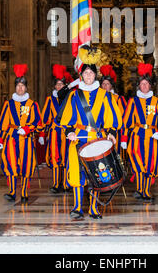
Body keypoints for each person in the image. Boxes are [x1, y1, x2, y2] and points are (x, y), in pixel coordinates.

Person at [59, 45, 122, 220]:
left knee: (96, 174)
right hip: (78, 138)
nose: (88, 76)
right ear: (81, 76)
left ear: (96, 75)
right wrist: (70, 131)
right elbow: (66, 118)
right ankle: (78, 207)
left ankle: (93, 209)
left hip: (97, 139)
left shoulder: (106, 96)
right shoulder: (74, 95)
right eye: (85, 73)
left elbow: (112, 118)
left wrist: (110, 132)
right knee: (78, 174)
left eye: (91, 73)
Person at [121, 63, 158, 201]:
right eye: (141, 84)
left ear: (150, 86)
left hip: (152, 137)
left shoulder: (157, 102)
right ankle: (141, 189)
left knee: (149, 164)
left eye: (146, 84)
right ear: (139, 86)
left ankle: (145, 191)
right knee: (138, 163)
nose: (144, 86)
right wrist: (124, 139)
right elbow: (126, 122)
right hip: (137, 136)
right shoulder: (133, 102)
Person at [0, 64, 43, 203]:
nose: (20, 88)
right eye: (18, 85)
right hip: (11, 138)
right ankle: (11, 192)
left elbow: (38, 123)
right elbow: (3, 122)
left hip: (26, 139)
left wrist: (27, 128)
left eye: (22, 85)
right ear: (15, 87)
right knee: (10, 163)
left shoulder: (32, 104)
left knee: (26, 164)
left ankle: (24, 193)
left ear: (26, 88)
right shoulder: (8, 104)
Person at [41, 64, 74, 193]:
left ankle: (66, 183)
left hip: (67, 132)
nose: (59, 86)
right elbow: (45, 118)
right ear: (55, 86)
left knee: (66, 157)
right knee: (55, 157)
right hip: (55, 132)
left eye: (62, 84)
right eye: (57, 84)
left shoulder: (70, 99)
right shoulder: (50, 100)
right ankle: (56, 184)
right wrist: (43, 134)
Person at [100, 64, 127, 154]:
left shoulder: (119, 99)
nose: (105, 86)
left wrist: (124, 137)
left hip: (116, 132)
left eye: (107, 84)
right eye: (103, 84)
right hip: (101, 133)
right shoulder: (97, 99)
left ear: (111, 85)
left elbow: (124, 119)